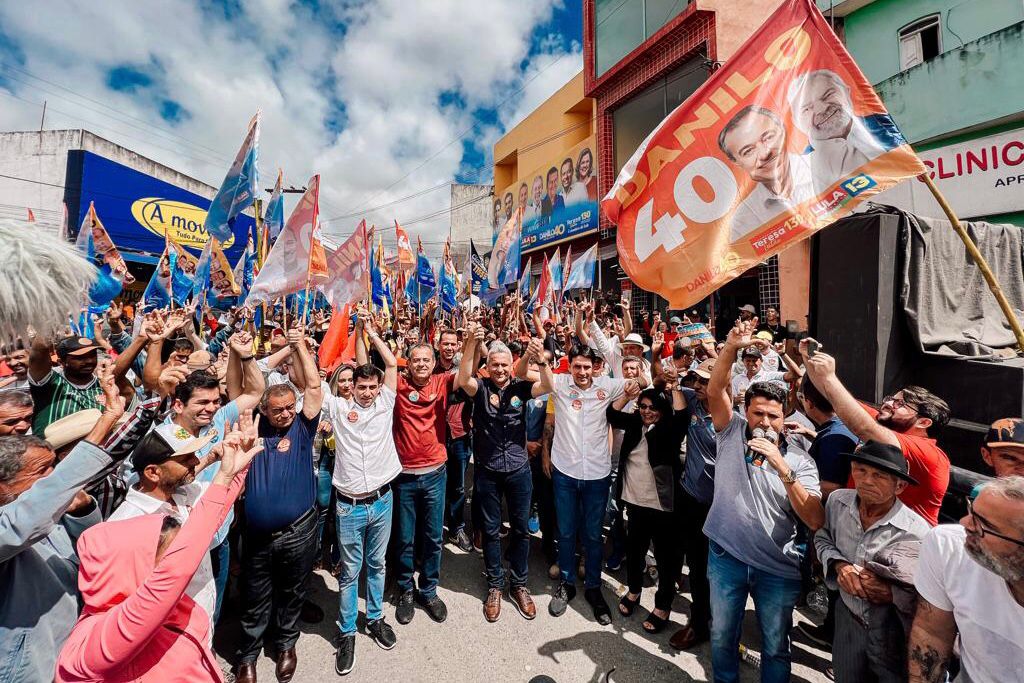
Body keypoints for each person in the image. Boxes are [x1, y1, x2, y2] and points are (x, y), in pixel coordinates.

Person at [54, 423, 260, 683]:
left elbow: (215, 511)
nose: (196, 461)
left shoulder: (184, 495)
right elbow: (175, 569)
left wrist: (240, 465)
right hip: (162, 649)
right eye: (185, 458)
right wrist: (226, 475)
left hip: (196, 628)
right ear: (153, 472)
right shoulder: (125, 526)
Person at [704, 316, 824, 683]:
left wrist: (780, 465)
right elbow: (714, 390)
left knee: (775, 646)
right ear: (746, 412)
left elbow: (815, 518)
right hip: (727, 556)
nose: (765, 423)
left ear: (785, 415)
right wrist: (730, 347)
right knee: (722, 635)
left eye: (773, 416)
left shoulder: (800, 460)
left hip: (777, 567)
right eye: (758, 414)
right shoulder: (732, 432)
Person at [0, 370, 124, 683]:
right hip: (25, 663)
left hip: (72, 644)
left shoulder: (47, 509)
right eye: (42, 471)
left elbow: (89, 553)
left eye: (54, 467)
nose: (52, 479)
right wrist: (106, 420)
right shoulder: (18, 520)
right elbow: (24, 525)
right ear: (4, 484)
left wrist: (83, 510)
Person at [235, 327, 323, 683]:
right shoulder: (253, 429)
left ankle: (286, 643)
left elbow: (313, 386)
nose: (286, 414)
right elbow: (240, 391)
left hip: (299, 531)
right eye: (278, 410)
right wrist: (243, 355)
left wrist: (299, 347)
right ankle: (247, 655)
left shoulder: (303, 427)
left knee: (293, 590)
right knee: (255, 595)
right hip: (258, 535)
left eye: (289, 408)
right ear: (264, 410)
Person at [163, 331, 265, 622]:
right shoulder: (164, 437)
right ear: (179, 405)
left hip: (219, 536)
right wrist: (208, 459)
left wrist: (245, 355)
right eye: (202, 403)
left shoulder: (219, 419)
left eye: (215, 401)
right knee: (181, 616)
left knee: (212, 611)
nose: (210, 409)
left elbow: (255, 392)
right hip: (182, 541)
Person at [323, 310, 401, 676]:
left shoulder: (386, 403)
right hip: (349, 508)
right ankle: (347, 632)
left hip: (383, 501)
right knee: (350, 572)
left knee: (378, 564)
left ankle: (375, 618)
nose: (368, 393)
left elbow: (391, 363)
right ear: (350, 387)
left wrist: (369, 330)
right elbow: (313, 383)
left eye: (372, 387)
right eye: (361, 387)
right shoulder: (338, 408)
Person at [800, 339, 951, 526]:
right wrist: (809, 359)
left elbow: (862, 427)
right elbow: (831, 397)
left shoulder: (929, 454)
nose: (888, 403)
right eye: (890, 398)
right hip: (858, 530)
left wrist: (830, 376)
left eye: (900, 404)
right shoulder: (883, 423)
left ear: (924, 422)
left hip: (901, 540)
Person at [814, 441, 930, 683]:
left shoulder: (916, 532)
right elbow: (823, 538)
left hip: (891, 631)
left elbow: (929, 596)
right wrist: (839, 565)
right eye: (861, 470)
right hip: (848, 619)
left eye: (879, 475)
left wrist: (891, 593)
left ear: (900, 486)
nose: (866, 481)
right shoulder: (838, 502)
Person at [460, 324, 553, 622]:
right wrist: (471, 344)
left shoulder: (521, 388)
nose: (499, 370)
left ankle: (519, 584)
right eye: (494, 365)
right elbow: (463, 378)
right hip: (487, 472)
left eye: (504, 365)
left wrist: (540, 360)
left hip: (518, 470)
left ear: (511, 366)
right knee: (490, 531)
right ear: (487, 367)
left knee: (521, 529)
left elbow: (548, 386)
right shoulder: (480, 388)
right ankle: (495, 585)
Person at [543, 345, 634, 624]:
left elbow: (640, 380)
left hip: (597, 474)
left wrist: (633, 387)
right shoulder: (559, 383)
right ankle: (567, 583)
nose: (582, 372)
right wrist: (537, 358)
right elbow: (526, 374)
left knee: (593, 535)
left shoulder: (607, 385)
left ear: (594, 366)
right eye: (577, 366)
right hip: (565, 473)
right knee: (567, 531)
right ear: (569, 366)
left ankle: (593, 588)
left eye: (586, 367)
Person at [909, 476, 1024, 682]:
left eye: (983, 524)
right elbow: (931, 633)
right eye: (972, 511)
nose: (964, 524)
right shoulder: (949, 547)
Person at [607, 381, 687, 635]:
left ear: (662, 409)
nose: (647, 411)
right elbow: (611, 415)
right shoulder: (634, 423)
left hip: (662, 506)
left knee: (665, 559)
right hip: (634, 502)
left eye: (652, 407)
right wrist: (626, 396)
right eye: (642, 406)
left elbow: (683, 417)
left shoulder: (669, 429)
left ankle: (663, 606)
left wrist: (675, 387)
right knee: (634, 552)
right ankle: (633, 592)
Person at [392, 341, 454, 626]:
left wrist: (473, 340)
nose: (421, 364)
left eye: (426, 360)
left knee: (433, 537)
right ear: (408, 363)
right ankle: (405, 589)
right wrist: (365, 332)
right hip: (403, 476)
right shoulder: (397, 384)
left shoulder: (443, 382)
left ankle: (428, 590)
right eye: (415, 360)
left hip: (435, 475)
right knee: (404, 538)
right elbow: (369, 363)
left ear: (434, 362)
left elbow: (466, 374)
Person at [668, 359, 718, 651]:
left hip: (721, 507)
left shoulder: (733, 418)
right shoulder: (691, 401)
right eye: (695, 379)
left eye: (704, 381)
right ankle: (699, 624)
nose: (697, 385)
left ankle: (722, 623)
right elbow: (664, 384)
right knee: (697, 565)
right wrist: (673, 379)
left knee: (719, 570)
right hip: (691, 499)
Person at [718, 105, 817, 243]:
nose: (765, 154)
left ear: (783, 130)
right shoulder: (743, 221)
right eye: (748, 151)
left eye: (768, 137)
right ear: (737, 162)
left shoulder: (831, 163)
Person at [787, 69, 902, 181]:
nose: (822, 109)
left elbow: (902, 163)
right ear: (796, 122)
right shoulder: (804, 168)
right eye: (807, 109)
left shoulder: (880, 126)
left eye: (828, 95)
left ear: (846, 92)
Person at [436, 328, 473, 552]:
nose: (449, 348)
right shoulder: (429, 369)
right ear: (438, 345)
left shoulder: (464, 372)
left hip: (460, 436)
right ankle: (434, 530)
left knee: (458, 487)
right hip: (435, 437)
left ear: (458, 347)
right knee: (436, 487)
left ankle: (457, 528)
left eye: (453, 344)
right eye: (445, 344)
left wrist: (473, 342)